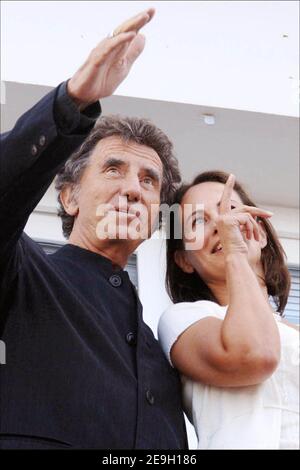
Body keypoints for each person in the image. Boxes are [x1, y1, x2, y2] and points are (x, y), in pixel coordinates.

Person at [0, 9, 188, 449]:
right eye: (113, 168)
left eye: (148, 180)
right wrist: (73, 101)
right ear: (69, 196)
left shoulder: (159, 347)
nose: (132, 189)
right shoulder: (21, 274)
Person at [158, 170, 299, 449]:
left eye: (229, 210)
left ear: (258, 233)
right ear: (184, 259)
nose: (221, 224)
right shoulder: (185, 320)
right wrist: (234, 249)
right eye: (199, 220)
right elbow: (253, 354)